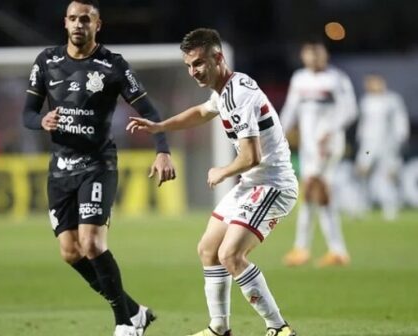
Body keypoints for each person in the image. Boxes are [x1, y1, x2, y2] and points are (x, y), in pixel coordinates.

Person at [127, 28, 298, 336]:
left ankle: (279, 329)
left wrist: (222, 171)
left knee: (231, 255)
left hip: (273, 185)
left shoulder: (239, 95)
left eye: (198, 64)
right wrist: (160, 126)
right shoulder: (224, 90)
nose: (193, 72)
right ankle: (219, 328)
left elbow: (252, 156)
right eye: (189, 66)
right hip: (252, 182)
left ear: (218, 58)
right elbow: (201, 112)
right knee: (208, 248)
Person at [22, 1, 176, 335]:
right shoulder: (46, 61)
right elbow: (28, 114)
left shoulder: (113, 65)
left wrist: (162, 151)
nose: (79, 24)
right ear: (65, 23)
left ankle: (124, 322)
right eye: (74, 19)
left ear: (97, 25)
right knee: (70, 252)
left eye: (86, 19)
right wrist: (42, 120)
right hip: (60, 168)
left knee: (92, 244)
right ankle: (135, 311)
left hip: (97, 165)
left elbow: (150, 109)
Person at [280, 40, 357, 267]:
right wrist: (280, 133)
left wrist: (330, 130)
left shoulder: (336, 79)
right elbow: (291, 109)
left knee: (311, 190)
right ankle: (336, 251)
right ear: (303, 57)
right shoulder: (299, 78)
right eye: (309, 55)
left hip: (328, 144)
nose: (313, 59)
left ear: (325, 56)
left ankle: (303, 248)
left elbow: (351, 109)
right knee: (320, 197)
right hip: (308, 147)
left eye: (317, 55)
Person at [355, 74, 410, 221]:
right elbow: (363, 123)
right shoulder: (365, 101)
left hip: (387, 144)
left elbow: (400, 121)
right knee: (363, 172)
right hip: (368, 146)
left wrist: (400, 138)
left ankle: (390, 208)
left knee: (388, 176)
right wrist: (359, 139)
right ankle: (362, 206)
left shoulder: (392, 100)